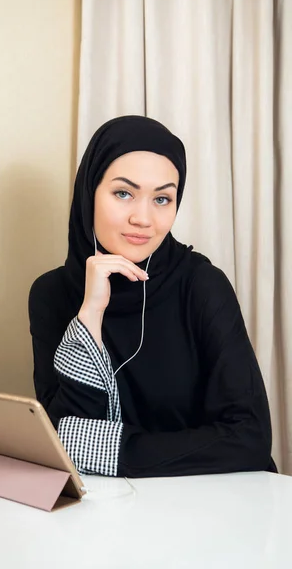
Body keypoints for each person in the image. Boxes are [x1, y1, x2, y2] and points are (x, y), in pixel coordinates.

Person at [28, 115, 276, 478]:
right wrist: (90, 314)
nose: (144, 219)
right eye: (123, 193)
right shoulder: (52, 294)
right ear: (88, 193)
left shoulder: (202, 285)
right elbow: (63, 432)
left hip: (216, 501)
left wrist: (108, 451)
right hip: (110, 510)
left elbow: (249, 437)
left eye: (162, 198)